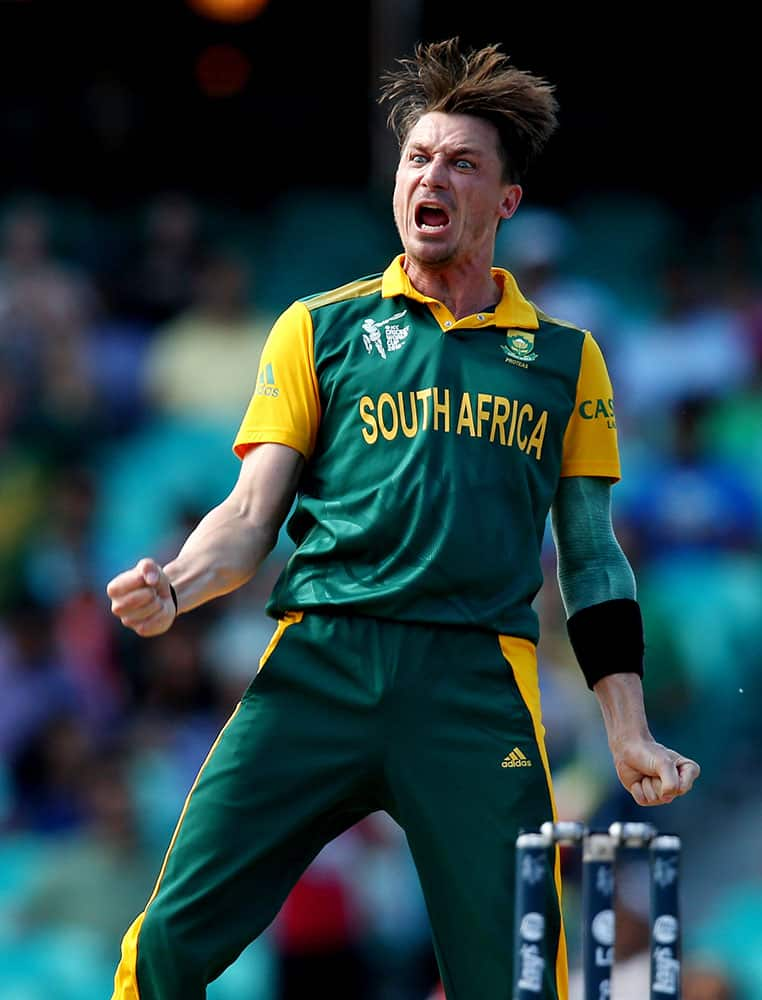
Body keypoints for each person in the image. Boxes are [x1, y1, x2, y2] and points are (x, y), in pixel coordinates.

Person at [106, 37, 700, 1000]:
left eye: (463, 163)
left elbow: (593, 560)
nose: (433, 176)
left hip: (475, 682)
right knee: (166, 950)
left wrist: (625, 728)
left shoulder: (563, 359)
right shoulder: (319, 327)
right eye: (419, 158)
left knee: (515, 979)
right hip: (320, 663)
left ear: (506, 201)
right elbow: (250, 513)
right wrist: (178, 582)